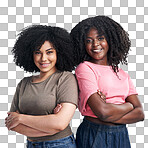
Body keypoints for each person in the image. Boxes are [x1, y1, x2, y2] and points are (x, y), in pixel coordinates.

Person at [70, 15, 144, 148]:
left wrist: (109, 115)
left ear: (110, 40)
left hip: (121, 134)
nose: (95, 44)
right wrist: (128, 106)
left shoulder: (122, 74)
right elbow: (102, 111)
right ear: (83, 44)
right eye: (89, 40)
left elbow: (140, 114)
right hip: (96, 133)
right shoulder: (85, 68)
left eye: (100, 38)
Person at [5, 25, 78, 148]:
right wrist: (51, 125)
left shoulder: (65, 78)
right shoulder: (24, 83)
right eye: (38, 53)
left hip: (60, 144)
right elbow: (12, 124)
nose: (43, 58)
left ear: (59, 53)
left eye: (49, 52)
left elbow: (60, 123)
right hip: (31, 144)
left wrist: (21, 118)